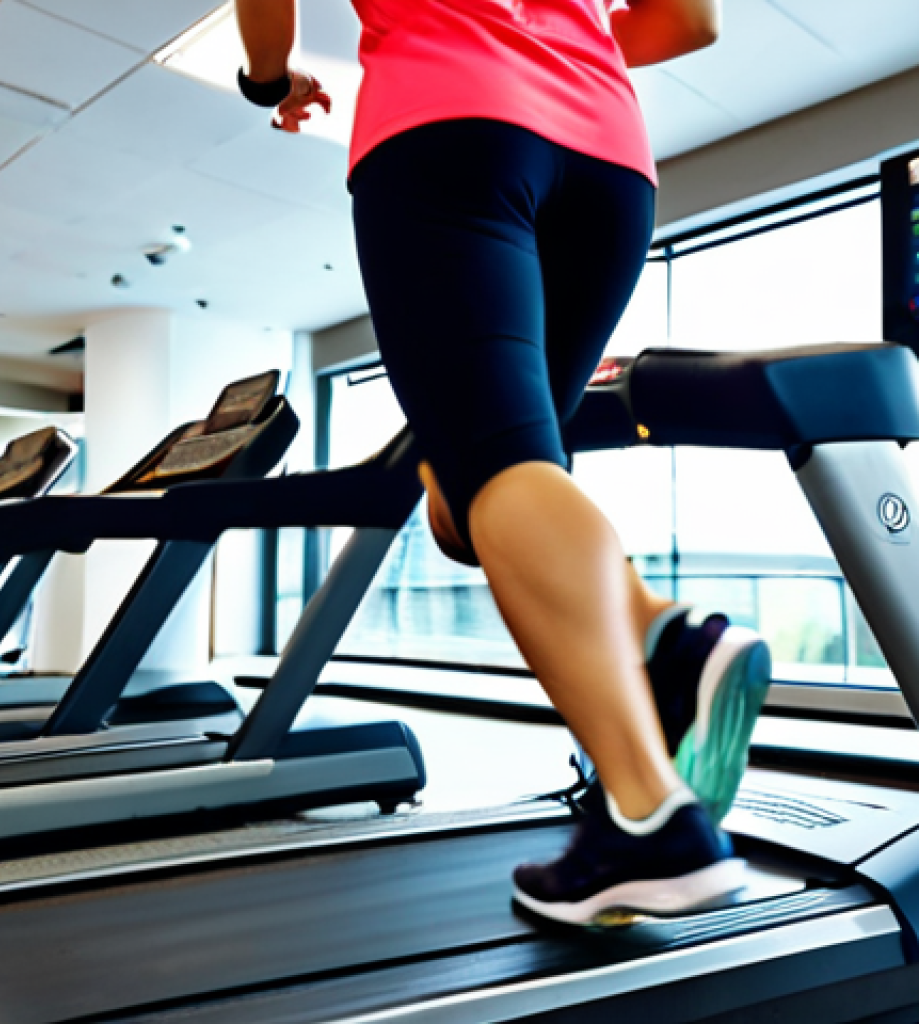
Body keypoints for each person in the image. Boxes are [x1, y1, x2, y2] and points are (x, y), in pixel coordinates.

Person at [235, 0, 772, 926]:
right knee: (473, 490)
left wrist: (271, 79)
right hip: (609, 162)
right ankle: (665, 645)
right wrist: (562, 48)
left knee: (498, 465)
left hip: (447, 131)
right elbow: (691, 20)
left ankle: (650, 815)